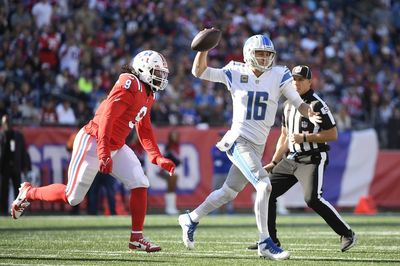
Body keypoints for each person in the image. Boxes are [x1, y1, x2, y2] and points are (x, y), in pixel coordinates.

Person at [10, 50, 176, 253]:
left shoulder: (149, 93)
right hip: (93, 141)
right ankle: (29, 192)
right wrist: (103, 151)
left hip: (116, 145)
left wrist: (156, 156)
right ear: (143, 68)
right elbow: (107, 117)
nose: (161, 77)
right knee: (73, 197)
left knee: (140, 182)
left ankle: (136, 237)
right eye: (156, 72)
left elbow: (145, 127)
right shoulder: (129, 82)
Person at [178, 33, 321, 260]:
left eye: (267, 54)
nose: (264, 59)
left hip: (257, 145)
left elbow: (298, 102)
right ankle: (265, 242)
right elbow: (199, 71)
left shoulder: (279, 74)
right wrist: (203, 49)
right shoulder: (235, 71)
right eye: (260, 54)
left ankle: (190, 218)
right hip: (239, 140)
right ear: (248, 54)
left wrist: (309, 111)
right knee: (264, 186)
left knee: (228, 192)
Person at [247, 65, 357, 252]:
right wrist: (274, 161)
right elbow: (284, 136)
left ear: (309, 82)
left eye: (300, 80)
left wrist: (305, 137)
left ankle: (347, 233)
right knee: (266, 191)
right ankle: (270, 240)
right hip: (291, 158)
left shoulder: (317, 104)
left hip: (312, 158)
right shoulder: (288, 104)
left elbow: (332, 134)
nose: (296, 83)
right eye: (294, 80)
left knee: (312, 199)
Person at [0, 115, 30, 215]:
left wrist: (25, 165)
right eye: (5, 122)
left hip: (15, 166)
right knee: (4, 189)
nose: (7, 125)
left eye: (8, 122)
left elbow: (23, 152)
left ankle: (19, 210)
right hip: (5, 167)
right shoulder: (2, 136)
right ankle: (3, 210)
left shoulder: (17, 136)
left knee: (18, 190)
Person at [158, 129, 181, 215]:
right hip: (168, 169)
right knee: (170, 187)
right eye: (173, 135)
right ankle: (169, 208)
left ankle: (172, 207)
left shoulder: (177, 146)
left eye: (176, 135)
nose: (174, 137)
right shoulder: (169, 146)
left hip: (176, 169)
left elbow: (178, 159)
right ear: (170, 137)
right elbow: (166, 158)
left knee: (173, 188)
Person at [211, 132, 233, 214]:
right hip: (217, 173)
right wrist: (223, 156)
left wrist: (221, 156)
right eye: (220, 137)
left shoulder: (228, 148)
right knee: (215, 192)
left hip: (227, 172)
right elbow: (214, 156)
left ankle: (229, 209)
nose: (220, 138)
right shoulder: (215, 148)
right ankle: (214, 210)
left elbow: (228, 158)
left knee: (229, 191)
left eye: (222, 137)